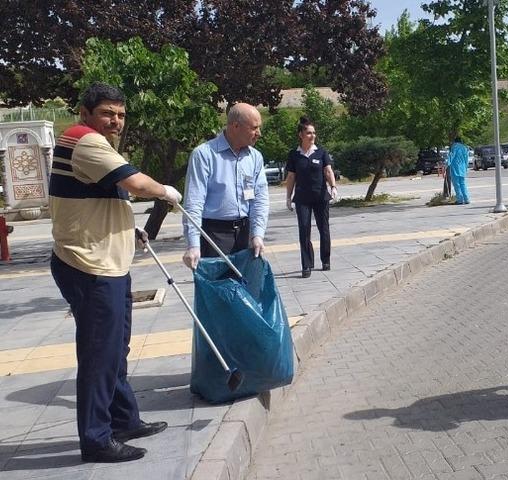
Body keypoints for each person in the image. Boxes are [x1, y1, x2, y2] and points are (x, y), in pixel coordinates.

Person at [49, 82, 181, 462]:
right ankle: (95, 439)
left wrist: (129, 227)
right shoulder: (84, 140)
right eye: (107, 113)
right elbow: (134, 183)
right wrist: (164, 191)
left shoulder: (95, 145)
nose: (115, 121)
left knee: (114, 348)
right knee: (99, 354)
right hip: (90, 266)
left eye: (121, 115)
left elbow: (104, 197)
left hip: (107, 262)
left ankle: (123, 419)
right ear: (86, 112)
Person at [182, 103, 270, 269]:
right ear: (235, 126)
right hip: (214, 236)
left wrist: (257, 234)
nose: (259, 133)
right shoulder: (204, 155)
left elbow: (259, 198)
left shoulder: (254, 157)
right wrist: (193, 245)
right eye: (254, 128)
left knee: (247, 291)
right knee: (218, 291)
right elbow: (194, 202)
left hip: (245, 233)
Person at [285, 117, 339, 278]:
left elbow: (328, 171)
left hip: (321, 196)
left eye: (314, 133)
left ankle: (326, 259)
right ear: (301, 134)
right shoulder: (294, 155)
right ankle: (306, 265)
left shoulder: (321, 152)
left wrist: (333, 187)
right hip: (302, 198)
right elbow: (291, 177)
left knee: (324, 229)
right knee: (304, 230)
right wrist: (288, 197)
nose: (312, 136)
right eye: (309, 133)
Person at [448, 136, 470, 205]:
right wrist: (466, 167)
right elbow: (466, 159)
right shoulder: (464, 148)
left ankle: (460, 199)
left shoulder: (454, 147)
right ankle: (466, 199)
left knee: (457, 184)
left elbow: (451, 156)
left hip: (455, 167)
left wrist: (447, 164)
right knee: (463, 184)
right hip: (463, 168)